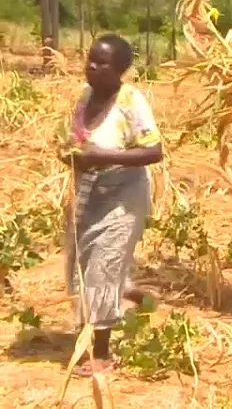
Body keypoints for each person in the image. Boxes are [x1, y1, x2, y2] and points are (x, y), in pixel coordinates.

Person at [60, 34, 163, 376]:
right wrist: (72, 155)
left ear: (120, 69)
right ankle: (128, 294)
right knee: (81, 266)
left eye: (102, 62)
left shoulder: (131, 101)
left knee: (102, 268)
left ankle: (102, 354)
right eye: (90, 59)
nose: (92, 66)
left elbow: (154, 151)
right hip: (89, 194)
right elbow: (79, 143)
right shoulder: (85, 97)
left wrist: (103, 156)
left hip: (123, 197)